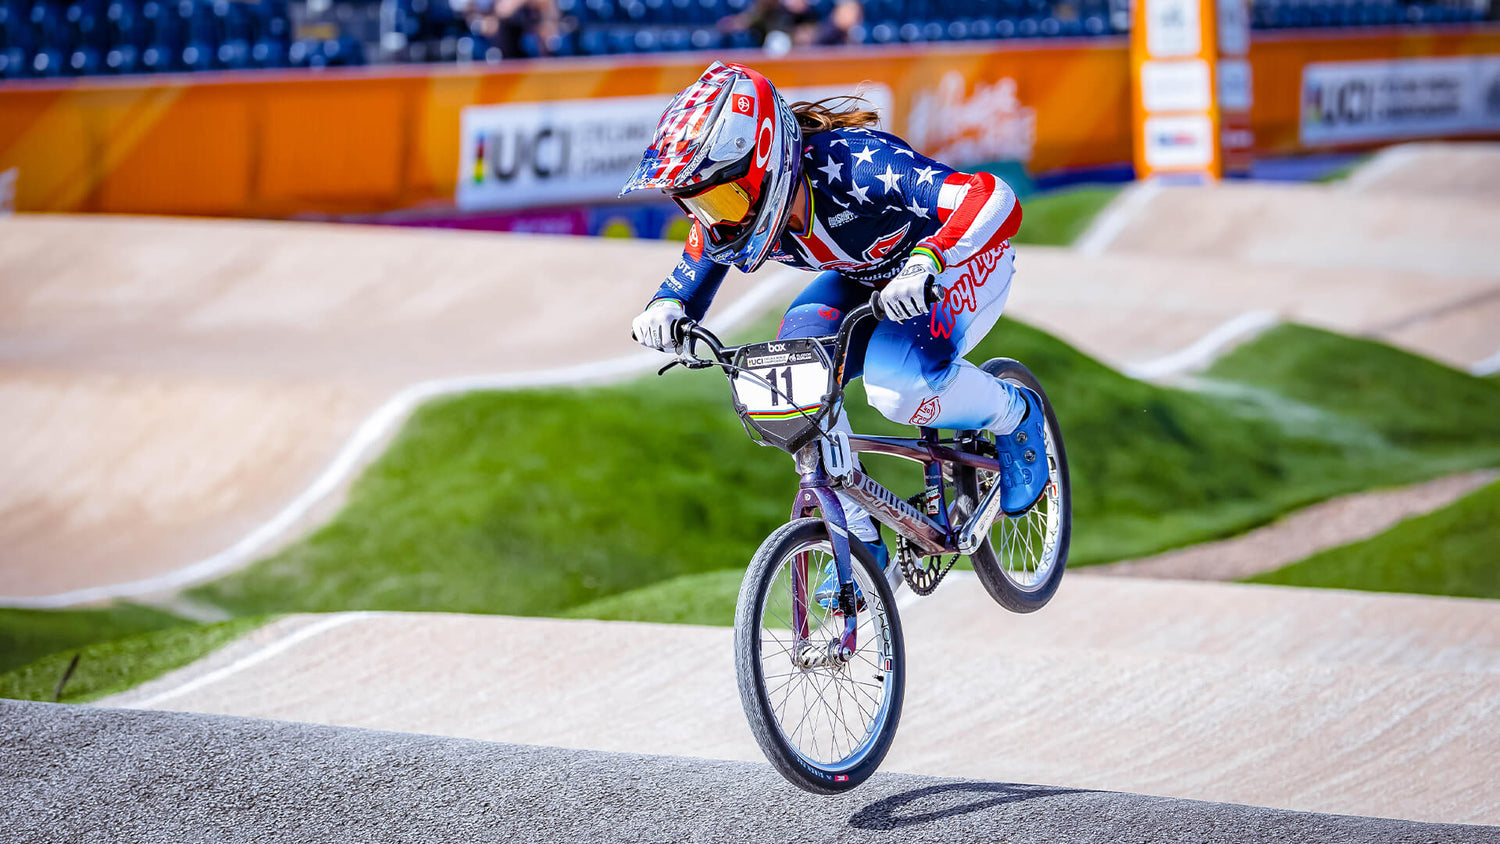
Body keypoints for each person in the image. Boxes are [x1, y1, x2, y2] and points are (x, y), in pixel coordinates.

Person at [621, 61, 1047, 599]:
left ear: (766, 164)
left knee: (898, 391)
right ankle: (860, 537)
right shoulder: (736, 215)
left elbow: (994, 199)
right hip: (867, 281)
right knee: (787, 386)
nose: (714, 221)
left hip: (957, 260)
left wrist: (927, 260)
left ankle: (1015, 413)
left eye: (722, 200)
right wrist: (667, 306)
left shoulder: (854, 168)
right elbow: (693, 270)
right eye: (698, 204)